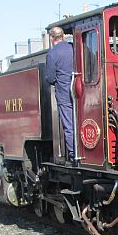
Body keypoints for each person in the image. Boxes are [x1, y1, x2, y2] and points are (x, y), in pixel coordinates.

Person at [45, 27, 75, 163]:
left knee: (69, 125)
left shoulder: (52, 53)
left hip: (64, 92)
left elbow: (50, 78)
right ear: (63, 36)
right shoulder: (73, 48)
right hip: (80, 90)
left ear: (52, 38)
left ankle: (74, 155)